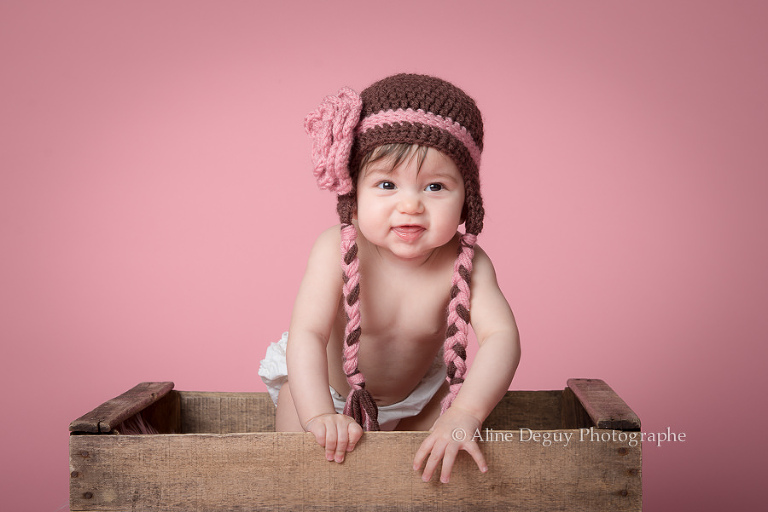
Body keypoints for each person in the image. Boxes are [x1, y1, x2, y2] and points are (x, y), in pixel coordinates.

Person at [258, 73, 520, 483]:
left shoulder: (468, 262)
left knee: (428, 475)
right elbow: (308, 333)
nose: (411, 205)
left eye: (435, 186)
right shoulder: (336, 250)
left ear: (467, 197)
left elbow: (502, 337)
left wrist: (464, 413)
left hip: (418, 397)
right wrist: (320, 415)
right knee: (301, 469)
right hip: (326, 391)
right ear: (354, 194)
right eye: (386, 184)